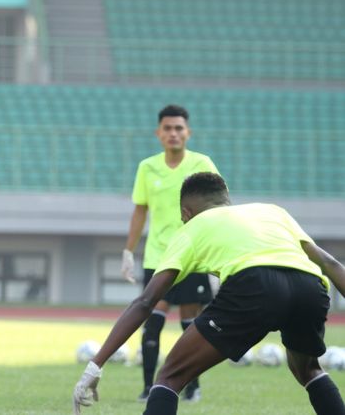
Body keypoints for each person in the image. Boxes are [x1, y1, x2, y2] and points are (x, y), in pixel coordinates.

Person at [73, 172, 345, 415]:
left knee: (169, 377)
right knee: (308, 369)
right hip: (310, 287)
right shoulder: (273, 211)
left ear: (186, 212)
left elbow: (146, 302)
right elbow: (330, 263)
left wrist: (95, 365)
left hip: (254, 285)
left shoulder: (192, 228)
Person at [121, 104, 219, 402]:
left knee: (191, 326)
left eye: (179, 128)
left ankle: (193, 386)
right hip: (158, 258)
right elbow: (140, 211)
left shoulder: (202, 163)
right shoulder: (147, 167)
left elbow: (218, 208)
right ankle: (148, 387)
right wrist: (128, 250)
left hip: (193, 256)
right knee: (152, 320)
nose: (173, 133)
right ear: (158, 133)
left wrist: (217, 254)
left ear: (188, 132)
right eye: (168, 128)